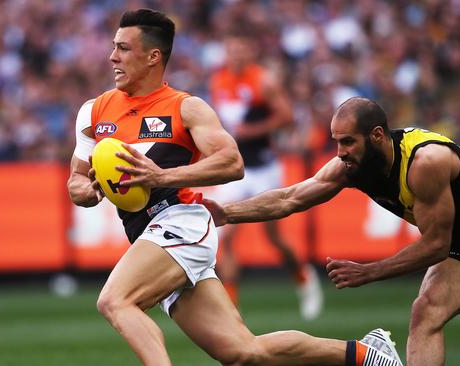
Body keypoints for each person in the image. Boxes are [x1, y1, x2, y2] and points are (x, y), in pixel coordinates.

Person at [67, 9, 403, 366]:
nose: (111, 56)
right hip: (147, 235)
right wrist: (87, 191)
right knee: (244, 353)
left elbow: (232, 163)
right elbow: (76, 180)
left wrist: (162, 177)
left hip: (179, 223)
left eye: (122, 48)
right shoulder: (93, 112)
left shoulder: (186, 108)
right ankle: (366, 354)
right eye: (113, 47)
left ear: (153, 57)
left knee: (115, 300)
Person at [204, 96, 460, 366]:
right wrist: (227, 213)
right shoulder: (351, 166)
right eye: (337, 141)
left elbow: (436, 246)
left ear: (377, 135)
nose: (340, 152)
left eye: (348, 142)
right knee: (425, 311)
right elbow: (291, 198)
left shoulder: (425, 163)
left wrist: (369, 271)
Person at [209, 32, 322, 319]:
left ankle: (304, 279)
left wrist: (252, 131)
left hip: (264, 167)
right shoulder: (218, 80)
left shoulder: (263, 81)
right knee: (227, 235)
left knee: (274, 237)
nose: (236, 55)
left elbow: (286, 117)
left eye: (241, 50)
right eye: (231, 49)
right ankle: (231, 309)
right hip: (236, 169)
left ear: (250, 52)